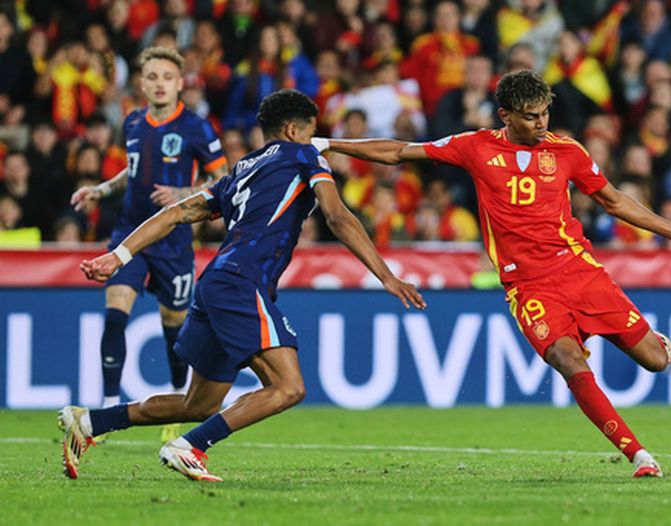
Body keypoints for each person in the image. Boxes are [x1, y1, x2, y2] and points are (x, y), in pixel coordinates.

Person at [311, 70, 671, 478]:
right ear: (506, 115)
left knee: (656, 361)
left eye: (545, 113)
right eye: (531, 116)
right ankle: (639, 456)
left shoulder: (567, 151)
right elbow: (399, 152)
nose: (542, 122)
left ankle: (655, 342)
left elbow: (613, 200)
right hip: (528, 285)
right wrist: (326, 143)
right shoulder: (476, 147)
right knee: (567, 359)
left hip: (580, 272)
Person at [59, 88, 425, 482]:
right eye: (311, 132)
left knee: (199, 402)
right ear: (292, 129)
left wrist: (120, 255)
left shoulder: (241, 170)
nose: (315, 140)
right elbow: (336, 217)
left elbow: (175, 212)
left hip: (216, 281)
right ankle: (190, 447)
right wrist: (387, 275)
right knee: (288, 387)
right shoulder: (303, 155)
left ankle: (91, 421)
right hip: (241, 282)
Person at [69, 47, 229, 443]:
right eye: (153, 77)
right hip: (129, 233)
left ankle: (176, 400)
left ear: (179, 83)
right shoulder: (134, 121)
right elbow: (133, 170)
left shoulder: (197, 127)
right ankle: (106, 404)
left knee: (174, 331)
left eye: (167, 77)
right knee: (114, 315)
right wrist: (100, 189)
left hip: (173, 240)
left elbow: (221, 178)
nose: (160, 84)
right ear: (141, 83)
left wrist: (182, 192)